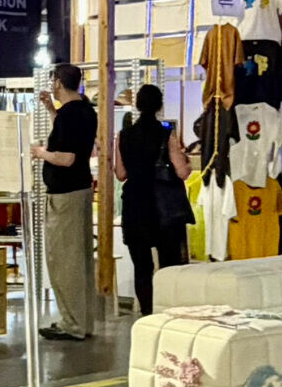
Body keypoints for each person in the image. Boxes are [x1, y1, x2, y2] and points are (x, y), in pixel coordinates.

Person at [30, 62, 99, 340]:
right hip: (80, 190)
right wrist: (51, 110)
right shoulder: (85, 110)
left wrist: (40, 153)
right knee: (80, 260)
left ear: (58, 82)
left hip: (65, 196)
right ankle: (82, 321)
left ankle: (72, 324)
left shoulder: (70, 116)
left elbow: (67, 157)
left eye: (52, 81)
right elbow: (71, 140)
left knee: (64, 261)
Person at [114, 84, 191, 314]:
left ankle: (147, 313)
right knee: (168, 266)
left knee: (142, 267)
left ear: (137, 105)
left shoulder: (123, 136)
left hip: (135, 205)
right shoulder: (167, 134)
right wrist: (187, 162)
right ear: (159, 106)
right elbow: (182, 172)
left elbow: (120, 173)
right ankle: (168, 312)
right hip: (162, 208)